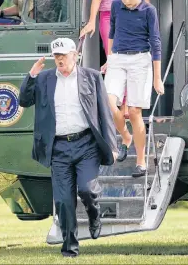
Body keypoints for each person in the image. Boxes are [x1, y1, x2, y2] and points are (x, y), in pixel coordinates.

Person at [19, 38, 118, 257]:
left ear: (75, 54)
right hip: (58, 148)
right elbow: (23, 101)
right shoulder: (44, 79)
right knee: (63, 202)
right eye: (56, 55)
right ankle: (70, 248)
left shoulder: (91, 77)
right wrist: (32, 75)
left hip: (86, 145)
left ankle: (94, 215)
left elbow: (105, 113)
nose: (60, 59)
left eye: (63, 54)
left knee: (88, 190)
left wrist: (112, 144)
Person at [80, 0, 150, 116]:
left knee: (131, 58)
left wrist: (149, 17)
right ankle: (115, 102)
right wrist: (91, 21)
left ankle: (127, 104)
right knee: (113, 58)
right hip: (108, 13)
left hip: (134, 14)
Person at [105, 0, 164, 178]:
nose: (127, 1)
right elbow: (112, 31)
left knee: (134, 111)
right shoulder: (115, 5)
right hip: (118, 58)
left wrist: (157, 78)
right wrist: (109, 58)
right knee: (110, 102)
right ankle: (126, 136)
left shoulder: (149, 10)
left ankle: (141, 162)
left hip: (140, 60)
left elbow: (156, 43)